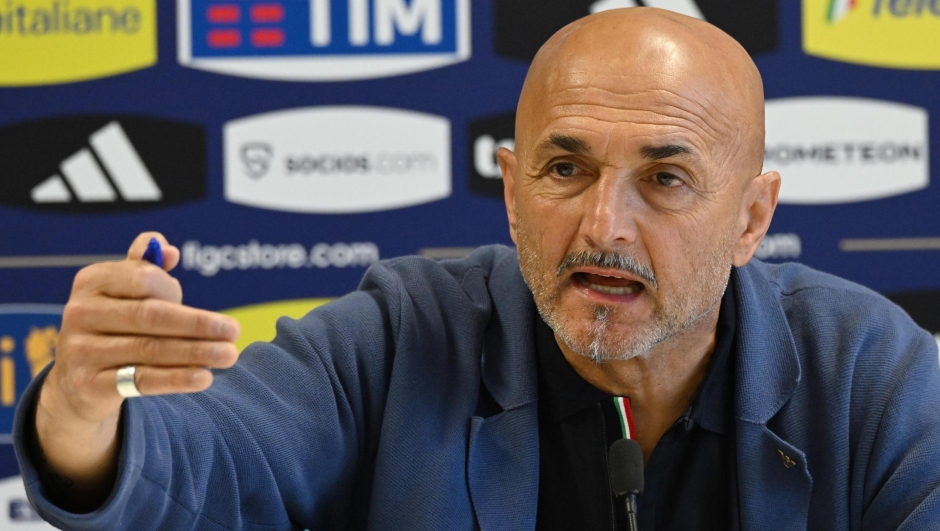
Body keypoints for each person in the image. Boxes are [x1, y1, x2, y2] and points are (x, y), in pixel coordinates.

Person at [14, 7, 940, 530]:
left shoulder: (870, 371)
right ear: (510, 189)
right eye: (566, 169)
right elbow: (206, 465)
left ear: (751, 218)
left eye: (665, 178)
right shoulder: (397, 337)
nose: (602, 224)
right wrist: (82, 412)